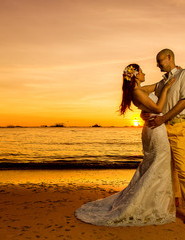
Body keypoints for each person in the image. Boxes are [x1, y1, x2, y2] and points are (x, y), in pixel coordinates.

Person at [75, 64, 176, 226]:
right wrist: (165, 90)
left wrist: (168, 77)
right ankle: (149, 203)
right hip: (155, 130)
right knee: (157, 163)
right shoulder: (137, 92)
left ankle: (155, 199)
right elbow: (159, 108)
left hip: (153, 127)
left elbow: (156, 86)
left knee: (155, 164)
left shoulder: (140, 90)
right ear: (136, 75)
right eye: (142, 72)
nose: (144, 74)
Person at [142, 49, 185, 232]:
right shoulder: (163, 82)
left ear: (170, 58)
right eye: (157, 62)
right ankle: (174, 199)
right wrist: (143, 108)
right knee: (168, 167)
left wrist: (163, 117)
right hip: (161, 128)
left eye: (160, 61)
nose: (158, 64)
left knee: (183, 169)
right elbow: (145, 92)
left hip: (178, 127)